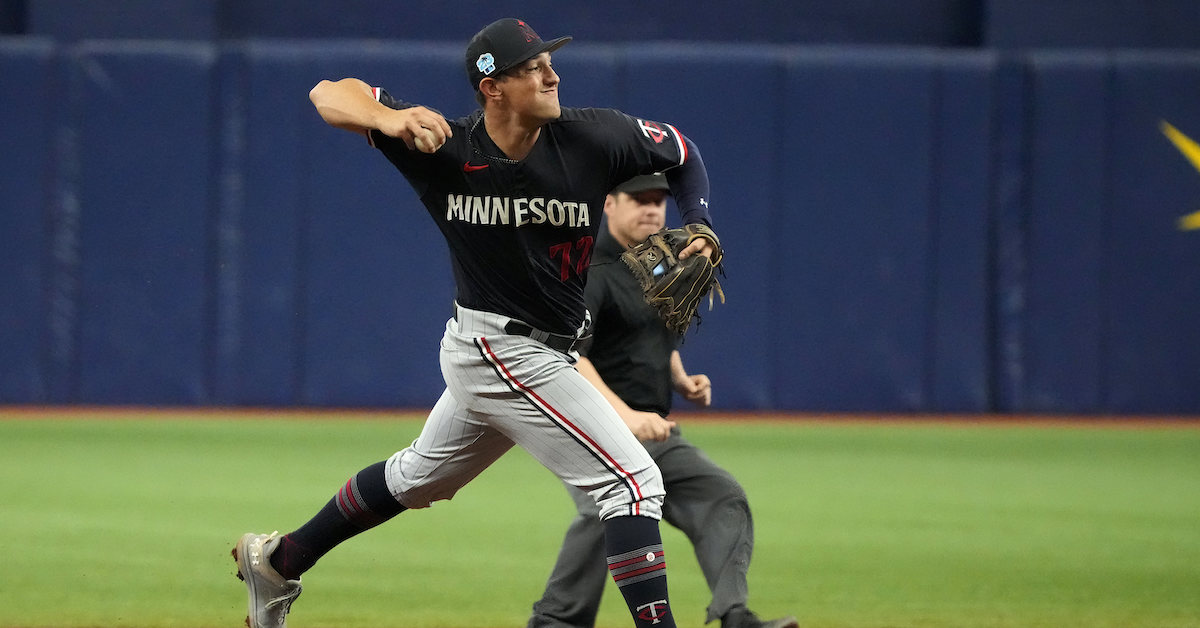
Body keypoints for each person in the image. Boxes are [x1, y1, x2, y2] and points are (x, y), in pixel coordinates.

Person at [231, 18, 720, 628]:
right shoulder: (445, 145)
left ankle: (281, 560)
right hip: (499, 347)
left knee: (418, 478)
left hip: (540, 350)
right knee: (632, 483)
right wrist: (386, 118)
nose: (552, 74)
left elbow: (680, 151)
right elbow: (329, 92)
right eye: (534, 67)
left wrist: (698, 221)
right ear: (493, 86)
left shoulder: (597, 136)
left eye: (550, 62)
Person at [527, 174, 797, 628]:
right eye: (640, 200)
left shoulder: (656, 265)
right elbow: (570, 356)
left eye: (659, 201)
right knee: (609, 509)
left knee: (721, 496)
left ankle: (734, 616)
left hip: (653, 430)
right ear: (609, 203)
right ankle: (556, 620)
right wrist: (626, 415)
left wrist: (681, 379)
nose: (653, 209)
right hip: (589, 428)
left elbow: (652, 337)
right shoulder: (590, 271)